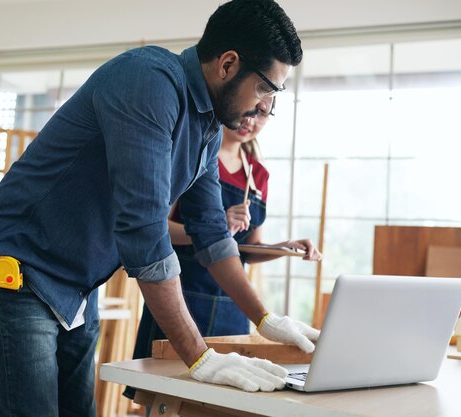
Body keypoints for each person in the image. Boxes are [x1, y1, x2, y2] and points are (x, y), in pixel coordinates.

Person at [0, 1, 320, 416]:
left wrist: (265, 320)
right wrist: (199, 356)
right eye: (264, 89)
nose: (264, 108)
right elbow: (143, 228)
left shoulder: (205, 124)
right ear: (227, 65)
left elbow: (211, 234)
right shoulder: (148, 81)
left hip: (77, 282)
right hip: (18, 267)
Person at [125, 103, 322, 399]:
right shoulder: (195, 156)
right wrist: (212, 229)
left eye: (263, 114)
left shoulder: (258, 174)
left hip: (233, 303)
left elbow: (248, 249)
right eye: (250, 108)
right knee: (165, 396)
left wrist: (283, 248)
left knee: (229, 397)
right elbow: (157, 227)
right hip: (181, 292)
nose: (251, 119)